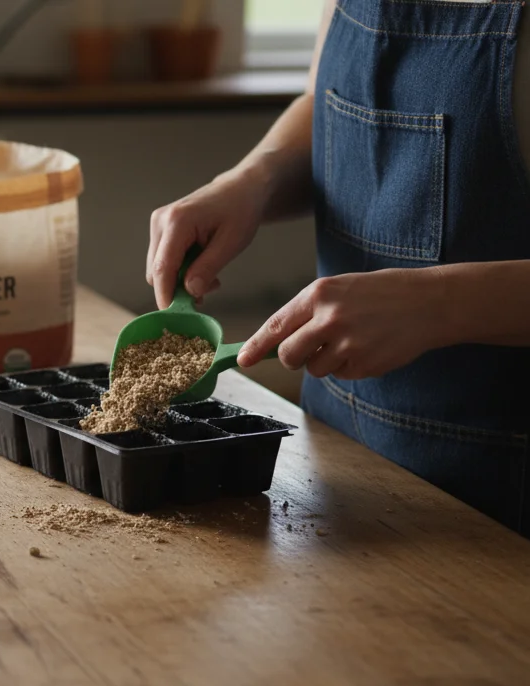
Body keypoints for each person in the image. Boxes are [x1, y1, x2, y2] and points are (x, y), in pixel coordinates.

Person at [147, 0, 530, 534]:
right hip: (334, 465)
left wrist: (443, 303)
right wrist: (251, 181)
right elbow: (327, 108)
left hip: (500, 499)